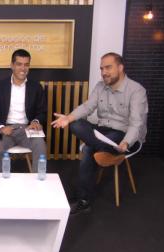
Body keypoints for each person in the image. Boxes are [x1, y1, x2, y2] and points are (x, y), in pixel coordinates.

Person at [51, 52, 148, 215]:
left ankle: (83, 200)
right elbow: (88, 107)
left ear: (120, 67)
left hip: (124, 135)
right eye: (102, 68)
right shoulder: (100, 86)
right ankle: (108, 147)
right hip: (103, 131)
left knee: (88, 150)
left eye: (108, 67)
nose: (104, 72)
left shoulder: (137, 91)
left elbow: (136, 123)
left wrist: (126, 143)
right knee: (75, 124)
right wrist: (68, 118)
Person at [0, 49, 47, 172]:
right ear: (12, 65)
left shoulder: (36, 87)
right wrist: (1, 128)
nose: (23, 69)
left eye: (26, 65)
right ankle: (6, 176)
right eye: (19, 64)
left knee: (41, 146)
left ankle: (37, 181)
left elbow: (42, 112)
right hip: (4, 129)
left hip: (27, 128)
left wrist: (36, 121)